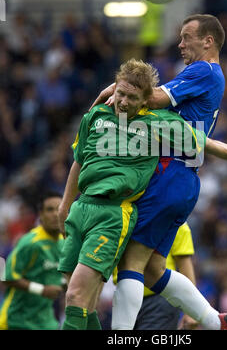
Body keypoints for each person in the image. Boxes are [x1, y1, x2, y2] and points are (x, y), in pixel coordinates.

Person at [88, 14, 227, 330]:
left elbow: (152, 97)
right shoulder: (211, 76)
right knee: (155, 269)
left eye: (186, 37)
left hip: (168, 173)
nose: (180, 43)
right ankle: (217, 322)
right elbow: (205, 141)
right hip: (183, 179)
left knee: (130, 263)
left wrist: (118, 87)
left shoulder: (204, 70)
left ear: (208, 41)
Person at [57, 58, 207, 330]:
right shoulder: (97, 115)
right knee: (78, 297)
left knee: (76, 295)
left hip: (117, 221)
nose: (124, 102)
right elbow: (79, 158)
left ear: (146, 99)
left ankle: (212, 320)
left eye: (132, 97)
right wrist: (65, 204)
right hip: (83, 209)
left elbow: (206, 144)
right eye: (120, 94)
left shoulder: (156, 123)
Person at [112, 222, 199, 330]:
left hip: (159, 299)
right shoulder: (121, 214)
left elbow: (185, 265)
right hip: (123, 299)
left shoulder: (172, 216)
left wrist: (191, 311)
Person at [0, 191, 64, 330]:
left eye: (59, 209)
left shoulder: (64, 243)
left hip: (47, 322)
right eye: (49, 210)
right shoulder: (30, 242)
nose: (55, 214)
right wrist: (41, 290)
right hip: (17, 321)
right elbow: (7, 277)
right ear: (40, 215)